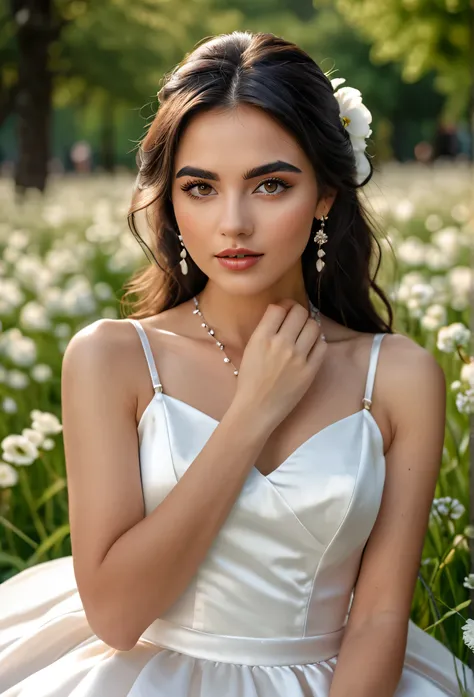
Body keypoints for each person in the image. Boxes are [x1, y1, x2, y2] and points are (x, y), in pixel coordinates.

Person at [0, 30, 473, 697]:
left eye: (271, 184)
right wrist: (253, 411)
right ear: (169, 199)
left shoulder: (398, 376)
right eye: (200, 187)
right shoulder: (112, 359)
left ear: (327, 194)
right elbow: (116, 615)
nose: (233, 223)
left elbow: (379, 615)